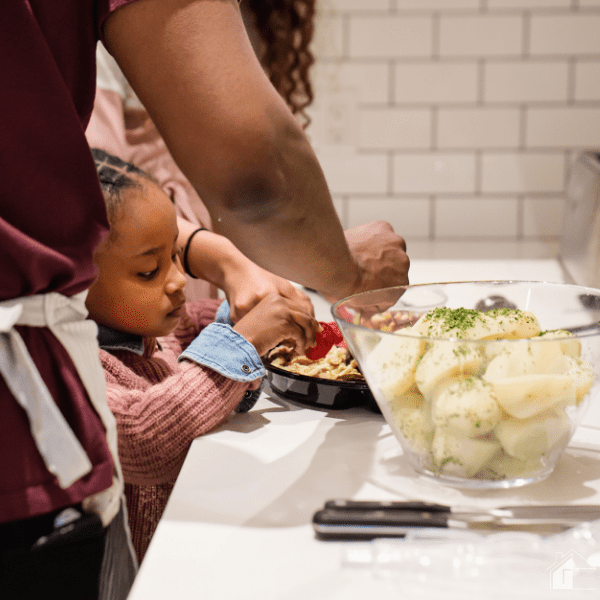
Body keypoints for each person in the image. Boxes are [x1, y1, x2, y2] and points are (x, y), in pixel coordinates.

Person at [0, 1, 408, 598]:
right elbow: (255, 175)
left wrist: (233, 307)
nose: (171, 279)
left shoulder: (133, 327)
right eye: (151, 268)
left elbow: (176, 322)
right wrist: (346, 274)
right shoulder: (89, 351)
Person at [88, 148, 319, 562]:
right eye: (148, 271)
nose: (179, 280)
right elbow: (144, 437)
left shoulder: (142, 328)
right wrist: (242, 341)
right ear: (76, 281)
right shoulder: (79, 368)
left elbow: (188, 326)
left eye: (175, 255)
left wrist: (243, 314)